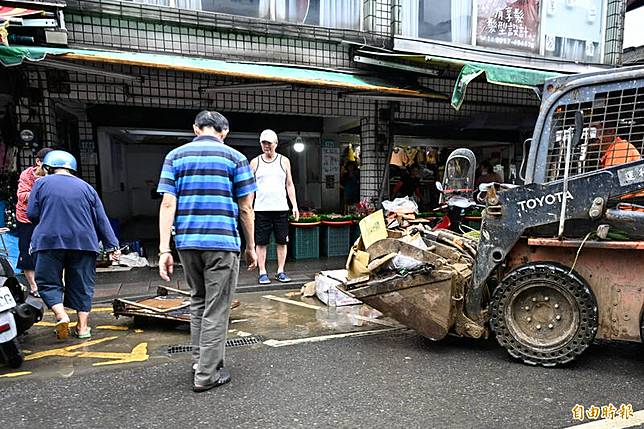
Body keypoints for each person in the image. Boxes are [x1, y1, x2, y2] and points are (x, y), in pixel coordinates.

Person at [157, 110, 257, 393]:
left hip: (187, 242)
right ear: (224, 132)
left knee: (198, 302)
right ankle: (206, 375)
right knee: (216, 307)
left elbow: (167, 204)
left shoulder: (175, 157)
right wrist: (251, 247)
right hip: (222, 242)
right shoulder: (235, 158)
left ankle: (200, 362)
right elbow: (246, 208)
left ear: (196, 129)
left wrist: (164, 249)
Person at [27, 150, 120, 340]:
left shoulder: (41, 183)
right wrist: (112, 246)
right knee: (82, 284)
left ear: (48, 167)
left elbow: (32, 214)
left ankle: (61, 316)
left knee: (47, 281)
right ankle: (83, 327)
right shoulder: (87, 188)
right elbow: (101, 219)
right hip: (84, 242)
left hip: (49, 241)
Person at [250, 129, 299, 285]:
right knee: (261, 242)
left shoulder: (284, 161)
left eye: (269, 143)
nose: (266, 146)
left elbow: (289, 184)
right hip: (261, 209)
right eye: (263, 143)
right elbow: (250, 188)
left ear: (276, 144)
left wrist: (295, 206)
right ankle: (262, 272)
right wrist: (249, 208)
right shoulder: (255, 162)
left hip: (281, 208)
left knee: (282, 241)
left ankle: (280, 271)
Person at [15, 147, 53, 297]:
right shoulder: (27, 175)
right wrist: (40, 188)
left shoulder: (54, 175)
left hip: (46, 218)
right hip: (26, 218)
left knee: (49, 250)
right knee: (27, 251)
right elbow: (22, 195)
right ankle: (33, 286)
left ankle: (51, 284)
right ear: (38, 162)